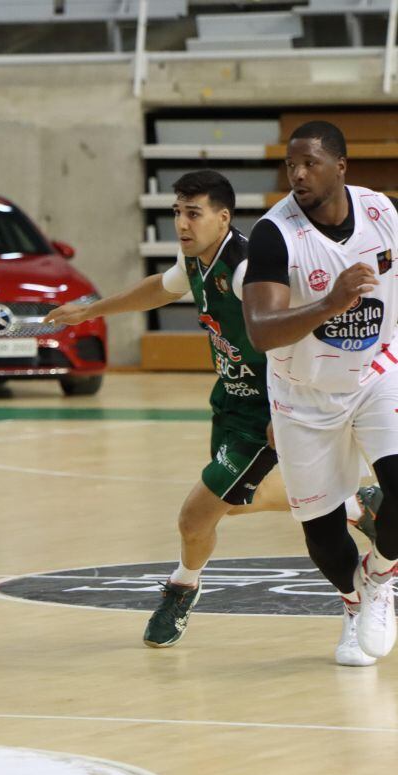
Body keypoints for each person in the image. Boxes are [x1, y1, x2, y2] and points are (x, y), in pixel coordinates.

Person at [49, 169, 380, 663]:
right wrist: (92, 310)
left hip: (268, 404)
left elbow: (288, 334)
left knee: (195, 514)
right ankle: (354, 504)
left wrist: (282, 408)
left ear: (223, 218)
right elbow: (160, 289)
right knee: (233, 503)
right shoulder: (197, 261)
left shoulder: (248, 269)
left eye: (193, 213)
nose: (182, 223)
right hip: (230, 399)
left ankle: (182, 588)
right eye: (177, 213)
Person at [243, 120, 398, 666]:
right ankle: (354, 599)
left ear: (341, 166)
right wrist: (330, 304)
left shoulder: (382, 212)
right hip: (301, 392)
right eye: (291, 165)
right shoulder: (273, 234)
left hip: (377, 371)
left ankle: (380, 576)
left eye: (309, 163)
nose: (298, 174)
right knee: (322, 531)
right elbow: (262, 329)